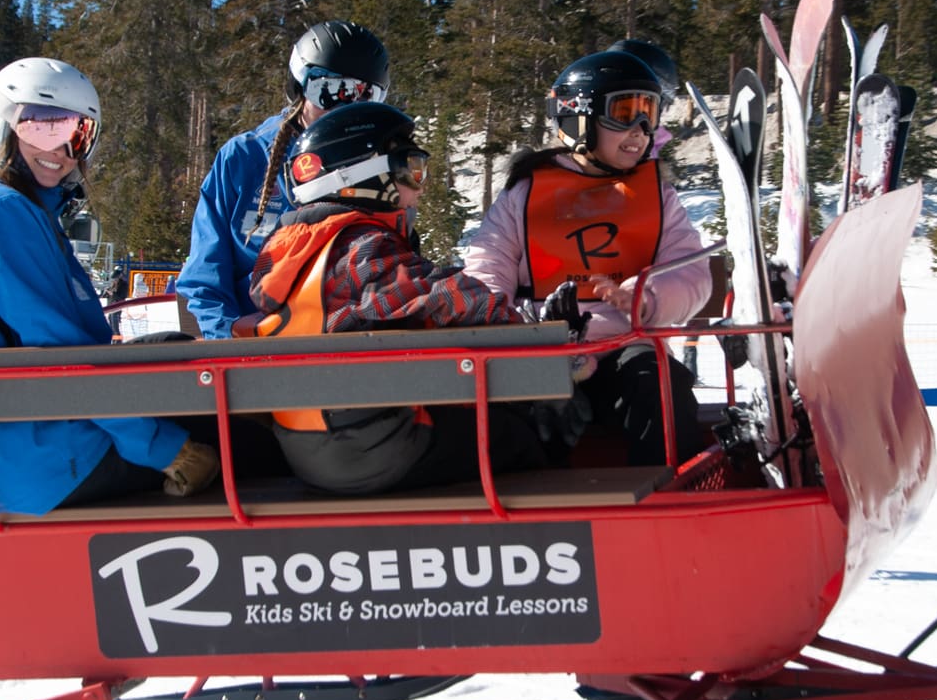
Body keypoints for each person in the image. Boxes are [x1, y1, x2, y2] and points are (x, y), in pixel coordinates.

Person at [0, 56, 218, 516]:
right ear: (0, 124)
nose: (60, 150)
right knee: (240, 438)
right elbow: (62, 355)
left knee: (177, 352)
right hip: (30, 460)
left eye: (79, 135)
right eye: (41, 128)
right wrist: (167, 451)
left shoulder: (8, 208)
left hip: (9, 440)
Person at [247, 100, 546, 495]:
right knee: (529, 432)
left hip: (311, 445)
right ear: (363, 178)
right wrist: (530, 335)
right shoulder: (360, 248)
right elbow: (446, 298)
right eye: (411, 169)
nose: (418, 189)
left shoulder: (293, 254)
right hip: (372, 448)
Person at [461, 48, 712, 465]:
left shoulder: (656, 197)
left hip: (623, 344)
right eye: (625, 112)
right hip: (541, 348)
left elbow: (690, 271)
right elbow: (487, 265)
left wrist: (644, 298)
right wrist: (512, 327)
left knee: (659, 385)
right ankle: (530, 511)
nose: (640, 129)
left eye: (649, 112)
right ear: (579, 116)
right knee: (518, 408)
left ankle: (670, 499)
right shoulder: (526, 194)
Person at [176, 20, 392, 340]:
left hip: (341, 350)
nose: (345, 109)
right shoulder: (245, 158)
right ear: (299, 87)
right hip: (250, 348)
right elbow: (205, 278)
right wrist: (229, 348)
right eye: (329, 92)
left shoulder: (380, 169)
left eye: (364, 96)